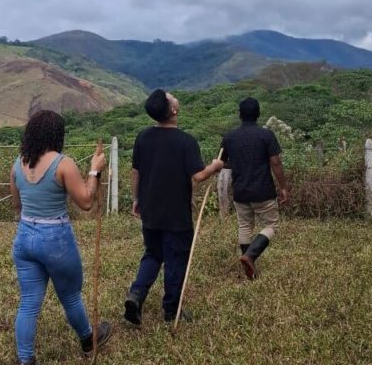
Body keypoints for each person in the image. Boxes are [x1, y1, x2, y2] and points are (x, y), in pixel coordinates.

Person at [9, 109, 113, 365]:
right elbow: (87, 202)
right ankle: (88, 338)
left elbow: (17, 207)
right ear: (57, 134)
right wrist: (95, 170)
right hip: (55, 237)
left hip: (24, 237)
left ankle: (26, 364)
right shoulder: (63, 164)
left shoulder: (18, 163)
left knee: (29, 302)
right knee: (70, 295)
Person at [124, 89, 223, 326]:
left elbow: (136, 172)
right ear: (174, 110)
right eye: (171, 97)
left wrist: (136, 199)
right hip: (177, 213)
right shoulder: (185, 141)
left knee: (153, 253)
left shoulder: (143, 137)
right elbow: (198, 176)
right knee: (176, 258)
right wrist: (216, 165)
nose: (174, 96)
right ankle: (171, 310)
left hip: (150, 208)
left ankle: (136, 294)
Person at [219, 96, 289, 279]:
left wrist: (239, 163)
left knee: (244, 226)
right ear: (258, 114)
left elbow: (222, 163)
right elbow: (275, 162)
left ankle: (248, 267)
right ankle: (250, 255)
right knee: (271, 225)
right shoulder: (266, 135)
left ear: (240, 115)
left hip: (240, 192)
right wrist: (283, 187)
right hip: (263, 191)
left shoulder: (229, 137)